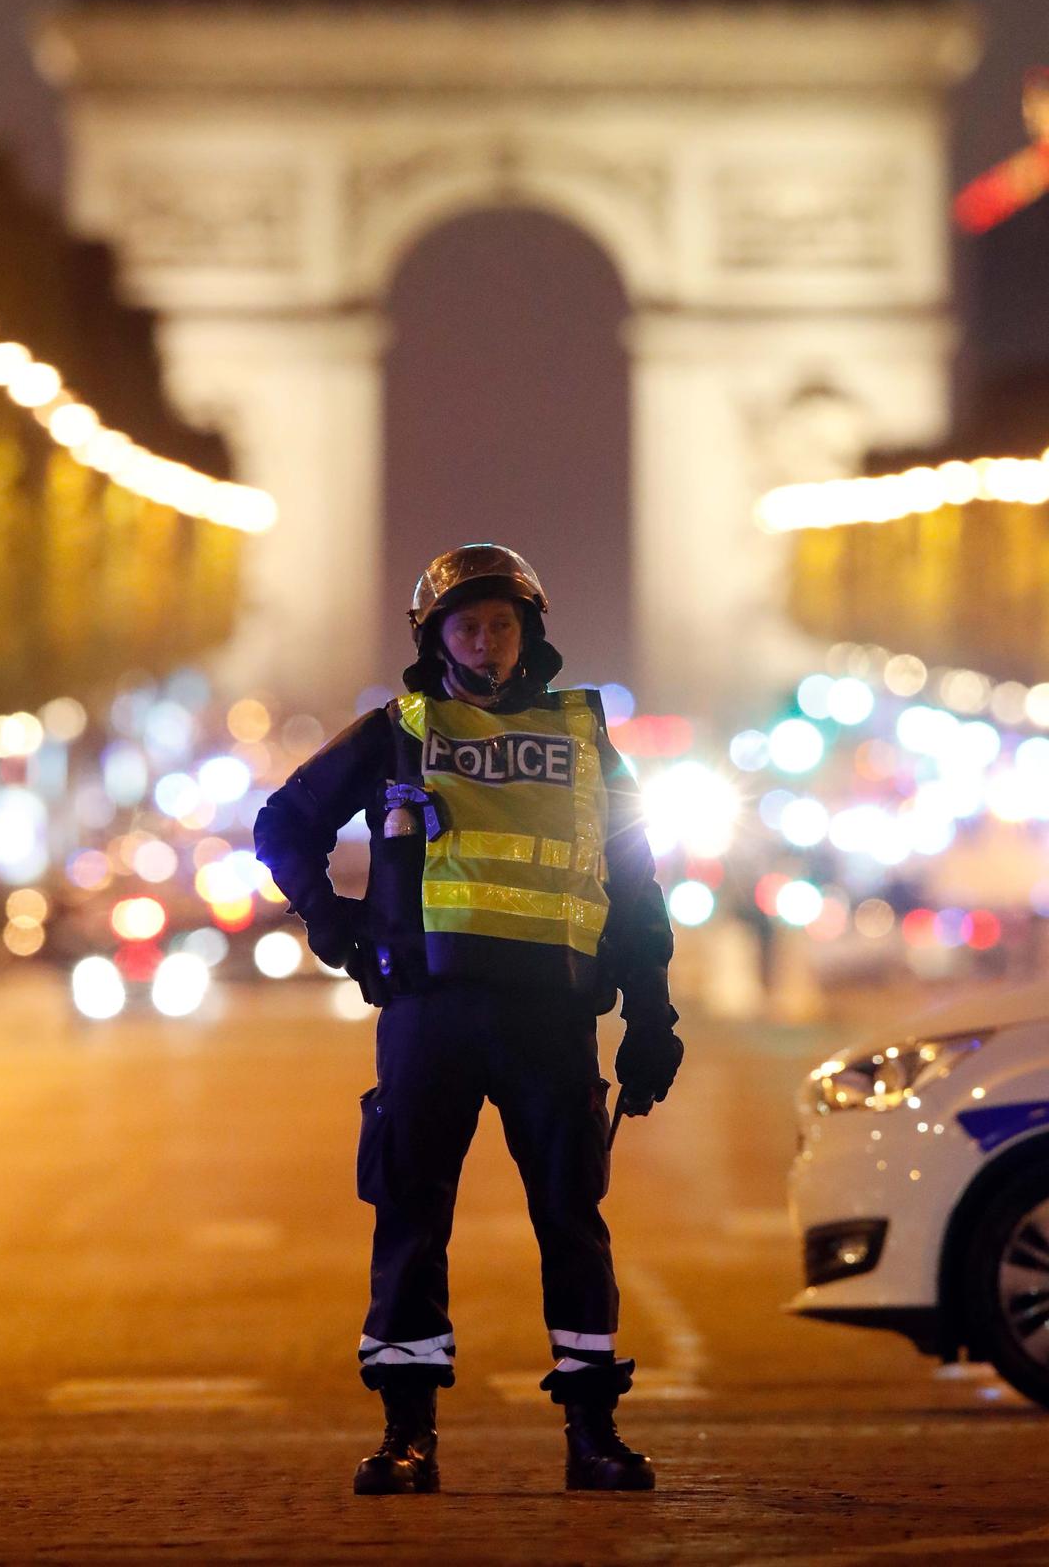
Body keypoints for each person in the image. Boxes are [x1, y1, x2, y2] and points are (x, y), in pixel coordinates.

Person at [254, 544, 682, 1495]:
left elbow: (637, 882)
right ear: (434, 639)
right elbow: (283, 824)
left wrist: (653, 1014)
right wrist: (336, 925)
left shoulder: (583, 736)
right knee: (410, 1218)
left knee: (572, 1221)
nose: (486, 643)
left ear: (530, 633)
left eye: (501, 625)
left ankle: (592, 1434)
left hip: (550, 1016)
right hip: (431, 1014)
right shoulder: (395, 733)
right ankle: (407, 1436)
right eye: (467, 625)